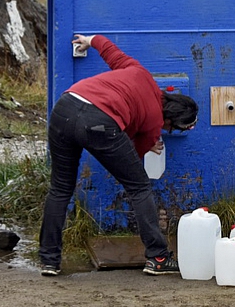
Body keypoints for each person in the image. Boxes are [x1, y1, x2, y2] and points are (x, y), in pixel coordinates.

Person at [38, 33, 198, 277]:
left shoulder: (139, 72)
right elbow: (130, 158)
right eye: (174, 128)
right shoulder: (155, 122)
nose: (169, 131)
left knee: (60, 188)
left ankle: (49, 260)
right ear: (170, 120)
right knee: (139, 187)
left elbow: (111, 51)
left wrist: (90, 40)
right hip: (100, 121)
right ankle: (158, 257)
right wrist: (147, 142)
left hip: (66, 107)